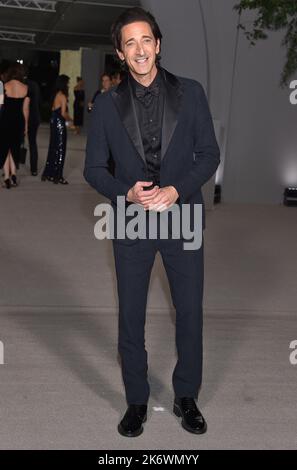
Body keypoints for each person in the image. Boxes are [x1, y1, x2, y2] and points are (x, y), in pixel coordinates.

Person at [84, 7, 220, 437]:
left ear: (158, 45)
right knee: (130, 316)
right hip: (131, 220)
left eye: (146, 40)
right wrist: (126, 192)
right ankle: (136, 400)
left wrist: (176, 190)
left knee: (190, 312)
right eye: (130, 43)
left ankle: (186, 396)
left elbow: (209, 156)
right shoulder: (106, 105)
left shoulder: (192, 93)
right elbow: (93, 169)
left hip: (182, 216)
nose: (140, 49)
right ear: (120, 54)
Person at [0, 63, 30, 189]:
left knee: (5, 148)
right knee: (14, 148)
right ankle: (14, 175)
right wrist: (26, 126)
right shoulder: (25, 88)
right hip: (18, 121)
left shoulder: (4, 86)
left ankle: (6, 177)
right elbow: (26, 109)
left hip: (5, 121)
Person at [41, 74, 72, 184]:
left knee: (53, 147)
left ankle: (49, 173)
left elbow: (54, 109)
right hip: (59, 123)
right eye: (68, 83)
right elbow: (63, 113)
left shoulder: (55, 94)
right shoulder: (62, 96)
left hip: (53, 121)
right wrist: (71, 120)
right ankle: (58, 176)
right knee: (60, 149)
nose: (68, 85)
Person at [26, 74, 41, 176]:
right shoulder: (35, 85)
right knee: (32, 143)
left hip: (24, 117)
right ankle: (34, 169)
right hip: (35, 117)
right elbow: (40, 101)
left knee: (14, 143)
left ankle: (12, 167)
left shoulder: (21, 85)